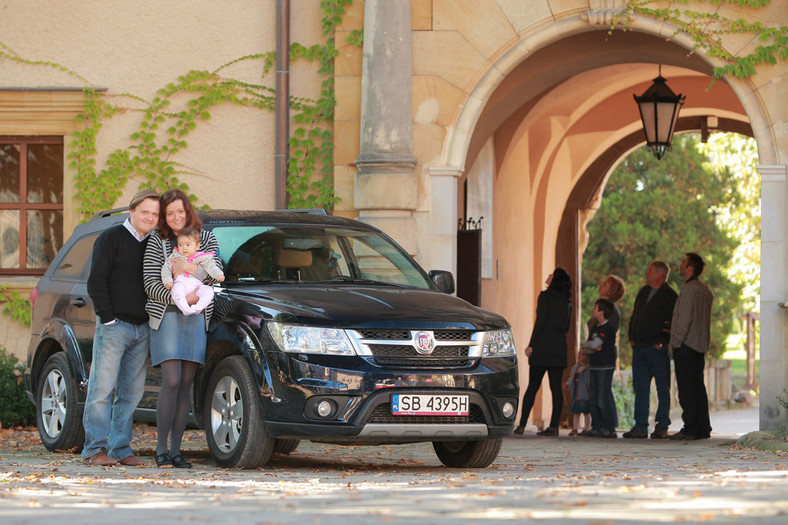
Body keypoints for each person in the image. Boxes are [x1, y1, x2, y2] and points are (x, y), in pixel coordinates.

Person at [143, 189, 223, 468]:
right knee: (173, 379)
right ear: (164, 218)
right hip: (166, 316)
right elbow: (151, 285)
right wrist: (180, 296)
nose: (176, 217)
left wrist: (184, 270)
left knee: (187, 382)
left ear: (188, 211)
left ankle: (177, 452)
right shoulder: (158, 241)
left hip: (196, 318)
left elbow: (214, 274)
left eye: (180, 211)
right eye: (170, 213)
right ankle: (160, 449)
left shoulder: (207, 238)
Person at [82, 189, 160, 466]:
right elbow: (96, 281)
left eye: (155, 214)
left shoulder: (155, 244)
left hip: (143, 329)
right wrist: (108, 318)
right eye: (145, 212)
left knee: (131, 393)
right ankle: (94, 449)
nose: (150, 217)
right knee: (102, 390)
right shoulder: (111, 238)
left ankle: (120, 448)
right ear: (132, 211)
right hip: (115, 326)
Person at [513, 268, 572, 436]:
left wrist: (531, 345)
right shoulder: (567, 301)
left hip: (542, 346)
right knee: (556, 388)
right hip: (558, 348)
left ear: (556, 280)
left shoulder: (545, 297)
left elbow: (540, 322)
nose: (548, 276)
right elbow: (566, 327)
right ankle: (554, 426)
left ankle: (522, 424)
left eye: (551, 275)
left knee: (533, 386)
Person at [623, 261, 677, 440]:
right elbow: (634, 316)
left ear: (660, 274)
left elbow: (672, 322)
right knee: (641, 389)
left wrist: (663, 341)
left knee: (662, 388)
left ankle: (662, 426)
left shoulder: (669, 296)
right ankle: (640, 426)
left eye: (650, 270)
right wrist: (632, 336)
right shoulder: (643, 292)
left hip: (656, 350)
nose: (646, 272)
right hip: (639, 348)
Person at [669, 252, 713, 440]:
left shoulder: (689, 290)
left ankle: (690, 427)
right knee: (698, 387)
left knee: (687, 389)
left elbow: (684, 320)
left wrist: (675, 342)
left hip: (686, 345)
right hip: (699, 345)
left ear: (690, 268)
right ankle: (703, 427)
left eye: (683, 263)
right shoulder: (705, 290)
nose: (680, 266)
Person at [162, 227, 225, 315]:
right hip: (181, 284)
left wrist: (218, 274)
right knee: (176, 289)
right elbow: (166, 269)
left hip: (197, 286)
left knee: (209, 290)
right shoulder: (174, 257)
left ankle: (198, 307)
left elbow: (211, 266)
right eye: (180, 245)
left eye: (188, 245)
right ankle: (185, 308)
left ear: (197, 246)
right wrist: (168, 281)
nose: (184, 248)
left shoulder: (202, 257)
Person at [583, 298, 618, 438]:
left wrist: (593, 346)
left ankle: (609, 427)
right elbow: (588, 346)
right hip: (594, 366)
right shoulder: (595, 327)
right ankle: (596, 426)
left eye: (595, 308)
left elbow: (594, 344)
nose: (593, 310)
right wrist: (593, 346)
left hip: (605, 366)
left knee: (603, 398)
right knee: (592, 398)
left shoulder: (609, 328)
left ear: (602, 312)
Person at [564, 349, 591, 436]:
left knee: (586, 412)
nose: (581, 356)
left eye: (583, 354)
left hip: (584, 394)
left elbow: (589, 381)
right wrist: (568, 385)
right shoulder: (575, 368)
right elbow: (571, 379)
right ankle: (575, 428)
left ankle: (586, 428)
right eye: (579, 353)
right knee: (576, 412)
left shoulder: (588, 369)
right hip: (576, 393)